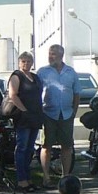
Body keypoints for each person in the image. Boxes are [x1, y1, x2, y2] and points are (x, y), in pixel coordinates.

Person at [37, 45, 80, 186]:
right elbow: (36, 92)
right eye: (49, 54)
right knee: (46, 145)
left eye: (53, 54)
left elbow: (77, 93)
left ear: (61, 55)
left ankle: (65, 176)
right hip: (48, 113)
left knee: (67, 146)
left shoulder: (71, 72)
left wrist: (74, 111)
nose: (50, 57)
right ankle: (46, 176)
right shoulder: (43, 72)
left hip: (66, 114)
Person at [6, 52, 44, 191]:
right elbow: (13, 95)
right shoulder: (17, 76)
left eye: (28, 61)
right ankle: (21, 180)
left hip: (35, 116)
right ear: (19, 62)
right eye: (23, 61)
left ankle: (29, 179)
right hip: (23, 118)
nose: (26, 64)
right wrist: (24, 110)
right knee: (22, 148)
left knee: (29, 149)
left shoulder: (35, 77)